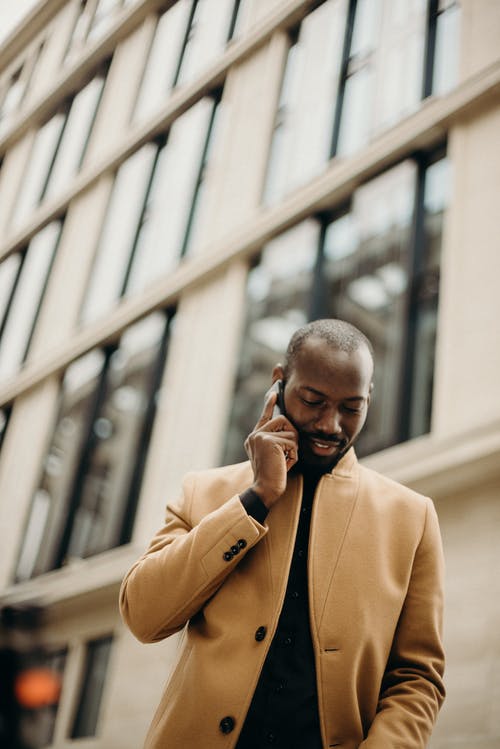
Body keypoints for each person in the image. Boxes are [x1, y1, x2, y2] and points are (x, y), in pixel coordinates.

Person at [119, 318, 445, 749]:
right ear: (279, 383)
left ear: (369, 399)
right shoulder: (204, 491)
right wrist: (257, 497)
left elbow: (417, 678)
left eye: (351, 408)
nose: (330, 425)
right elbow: (144, 615)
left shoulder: (412, 517)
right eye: (313, 400)